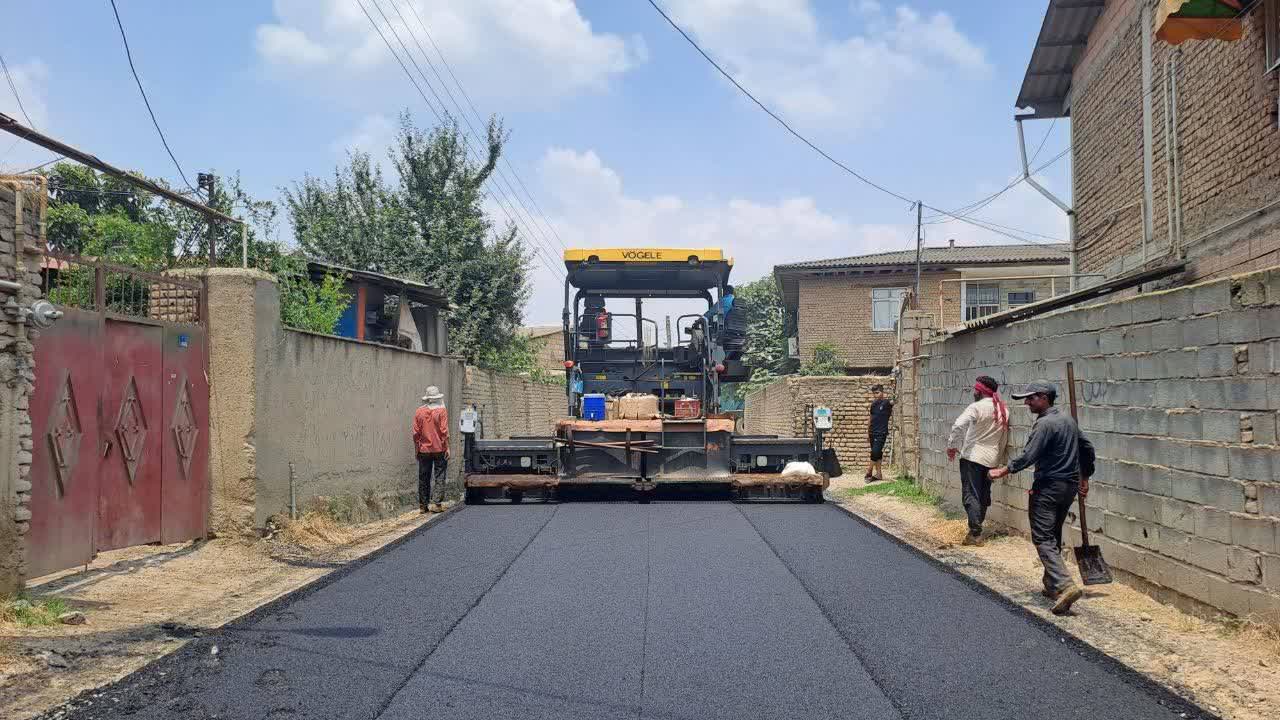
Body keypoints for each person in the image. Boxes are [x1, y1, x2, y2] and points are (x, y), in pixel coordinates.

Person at [989, 382, 1095, 616]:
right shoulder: (1068, 421)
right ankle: (1051, 584)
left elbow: (1029, 455)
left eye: (1031, 398)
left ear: (1045, 398)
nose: (1026, 403)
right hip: (1068, 488)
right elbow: (1087, 448)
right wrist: (1084, 476)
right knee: (1053, 533)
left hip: (1048, 487)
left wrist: (1004, 470)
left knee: (1042, 536)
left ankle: (1065, 585)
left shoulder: (1044, 424)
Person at [946, 375, 1010, 546]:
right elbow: (1003, 438)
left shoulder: (976, 407)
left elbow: (958, 425)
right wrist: (999, 459)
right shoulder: (1003, 410)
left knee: (971, 494)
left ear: (981, 391)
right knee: (983, 494)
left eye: (975, 390)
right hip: (991, 459)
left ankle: (975, 533)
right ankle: (976, 528)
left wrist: (952, 445)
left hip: (972, 457)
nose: (973, 393)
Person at [412, 386, 449, 513]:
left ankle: (423, 505)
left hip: (424, 450)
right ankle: (437, 504)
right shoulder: (442, 411)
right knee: (439, 475)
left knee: (423, 477)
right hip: (439, 448)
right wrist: (447, 448)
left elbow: (416, 433)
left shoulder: (419, 412)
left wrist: (417, 448)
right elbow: (444, 431)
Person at [866, 385, 893, 482]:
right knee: (877, 454)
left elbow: (893, 401)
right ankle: (879, 474)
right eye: (874, 393)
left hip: (881, 432)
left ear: (882, 392)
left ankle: (869, 470)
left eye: (877, 393)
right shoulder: (873, 404)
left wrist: (894, 396)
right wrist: (867, 432)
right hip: (872, 432)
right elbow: (870, 418)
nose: (875, 395)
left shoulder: (886, 403)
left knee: (875, 452)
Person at [459, 403, 479, 472]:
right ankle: (469, 467)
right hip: (470, 432)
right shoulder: (472, 413)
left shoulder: (464, 412)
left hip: (468, 432)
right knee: (469, 449)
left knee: (468, 448)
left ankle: (468, 467)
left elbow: (461, 422)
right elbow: (474, 422)